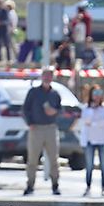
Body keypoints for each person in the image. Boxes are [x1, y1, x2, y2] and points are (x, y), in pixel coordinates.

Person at [22, 68, 63, 196]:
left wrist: (54, 112)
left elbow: (60, 110)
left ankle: (55, 185)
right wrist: (30, 123)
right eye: (45, 75)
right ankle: (30, 185)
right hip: (36, 128)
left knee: (54, 159)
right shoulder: (33, 92)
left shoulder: (55, 94)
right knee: (33, 159)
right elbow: (25, 109)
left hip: (50, 128)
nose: (47, 78)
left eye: (49, 76)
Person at [79, 85, 104, 197]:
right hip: (89, 141)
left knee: (103, 165)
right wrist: (93, 110)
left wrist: (93, 124)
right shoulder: (86, 108)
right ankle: (88, 186)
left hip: (102, 141)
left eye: (99, 93)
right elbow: (86, 121)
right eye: (94, 94)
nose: (97, 96)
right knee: (89, 165)